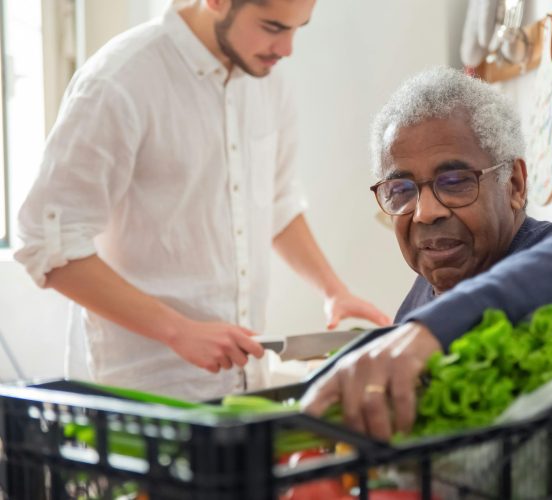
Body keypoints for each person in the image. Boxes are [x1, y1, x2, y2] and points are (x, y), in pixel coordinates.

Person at [14, 0, 390, 400]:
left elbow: (276, 203)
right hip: (142, 395)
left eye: (298, 28)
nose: (287, 49)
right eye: (272, 27)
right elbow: (47, 245)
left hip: (246, 385)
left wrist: (334, 292)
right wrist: (179, 330)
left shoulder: (267, 77)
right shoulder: (118, 81)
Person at [302, 67, 552, 440]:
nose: (425, 212)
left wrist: (434, 330)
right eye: (401, 190)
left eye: (455, 182)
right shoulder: (422, 295)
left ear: (514, 184)